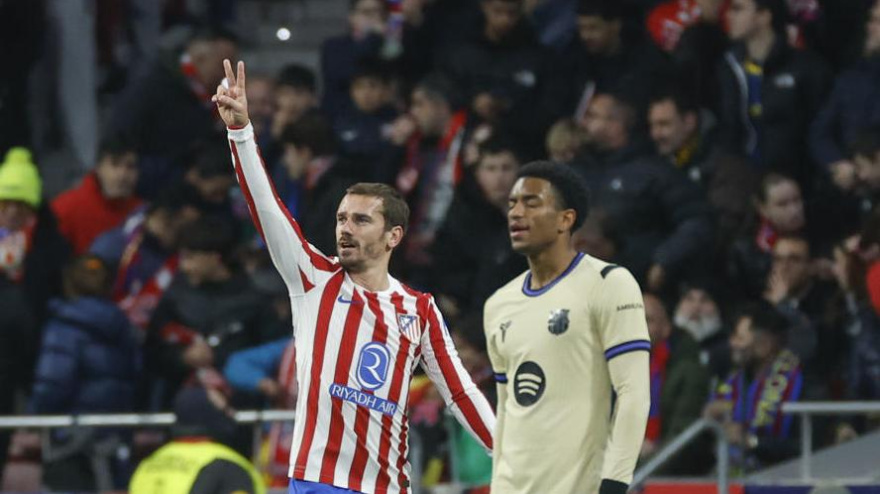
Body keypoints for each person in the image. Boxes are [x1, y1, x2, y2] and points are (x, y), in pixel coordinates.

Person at [214, 59, 494, 493]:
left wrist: (512, 457)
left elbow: (460, 394)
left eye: (361, 220)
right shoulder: (313, 279)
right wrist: (241, 133)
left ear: (393, 236)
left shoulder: (419, 310)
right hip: (318, 483)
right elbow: (266, 208)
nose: (345, 227)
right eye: (342, 218)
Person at [483, 161, 649, 494]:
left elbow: (634, 393)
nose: (516, 213)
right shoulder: (498, 304)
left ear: (565, 219)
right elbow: (506, 409)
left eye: (532, 203)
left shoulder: (609, 283)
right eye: (512, 203)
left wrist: (615, 483)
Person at [576, 91, 715, 291]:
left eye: (593, 115)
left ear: (617, 124)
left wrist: (663, 261)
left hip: (637, 286)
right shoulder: (575, 169)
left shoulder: (654, 171)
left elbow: (697, 218)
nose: (583, 122)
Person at [30, 255, 140, 492]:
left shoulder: (63, 326)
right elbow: (136, 376)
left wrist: (37, 414)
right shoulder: (124, 325)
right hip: (113, 436)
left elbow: (52, 381)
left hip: (69, 439)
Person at [146, 216, 276, 408]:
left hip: (241, 407)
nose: (183, 266)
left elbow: (272, 353)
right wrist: (182, 357)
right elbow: (151, 351)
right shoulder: (174, 299)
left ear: (214, 258)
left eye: (190, 258)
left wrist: (220, 356)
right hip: (181, 406)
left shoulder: (255, 300)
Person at [108, 28, 238, 198]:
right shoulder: (150, 88)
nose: (229, 75)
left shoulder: (205, 99)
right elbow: (121, 147)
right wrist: (182, 177)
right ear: (200, 59)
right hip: (149, 198)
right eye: (224, 65)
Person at [717, 0, 831, 185]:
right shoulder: (728, 68)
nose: (728, 15)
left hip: (799, 180)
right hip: (745, 180)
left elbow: (819, 129)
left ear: (764, 16)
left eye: (737, 9)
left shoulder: (806, 68)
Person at [431, 133, 527, 318]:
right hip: (468, 311)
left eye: (506, 168)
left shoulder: (534, 215)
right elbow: (447, 265)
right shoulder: (463, 214)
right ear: (478, 173)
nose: (499, 177)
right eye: (490, 169)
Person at [704, 301, 804, 472]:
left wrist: (751, 441)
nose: (733, 344)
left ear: (766, 343)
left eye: (741, 338)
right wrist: (708, 420)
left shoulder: (799, 381)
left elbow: (807, 445)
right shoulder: (735, 378)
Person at [129, 386, 266, 494]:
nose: (231, 414)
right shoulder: (228, 467)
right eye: (225, 409)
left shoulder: (149, 463)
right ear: (210, 416)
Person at [809, 0, 880, 191]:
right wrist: (837, 163)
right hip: (854, 187)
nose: (869, 27)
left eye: (877, 21)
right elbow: (820, 133)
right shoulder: (852, 78)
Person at [642, 292, 711, 475]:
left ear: (666, 328)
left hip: (661, 473)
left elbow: (682, 437)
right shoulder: (612, 366)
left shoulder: (688, 371)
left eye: (647, 320)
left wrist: (641, 467)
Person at [51, 137, 142, 255]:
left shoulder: (143, 215)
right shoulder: (65, 209)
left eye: (130, 167)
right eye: (115, 164)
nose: (122, 175)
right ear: (98, 168)